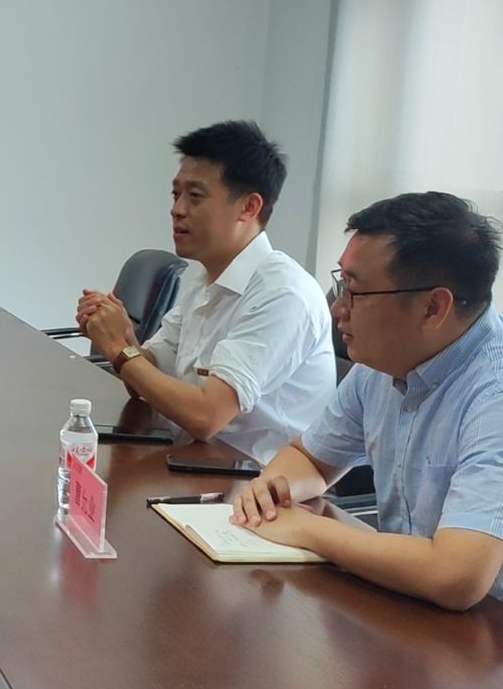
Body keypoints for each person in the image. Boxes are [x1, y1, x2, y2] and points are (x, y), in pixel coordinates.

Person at [230, 191, 503, 668]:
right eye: (341, 282)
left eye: (357, 291)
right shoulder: (381, 364)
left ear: (433, 308)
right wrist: (274, 492)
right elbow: (311, 458)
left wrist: (307, 530)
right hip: (434, 631)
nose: (338, 308)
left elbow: (455, 576)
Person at [76, 120, 336, 463]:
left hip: (250, 481)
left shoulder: (284, 294)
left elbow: (206, 417)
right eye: (176, 194)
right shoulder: (206, 280)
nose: (177, 209)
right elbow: (147, 378)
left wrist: (119, 350)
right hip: (192, 462)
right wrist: (123, 336)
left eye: (195, 196)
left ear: (249, 207)